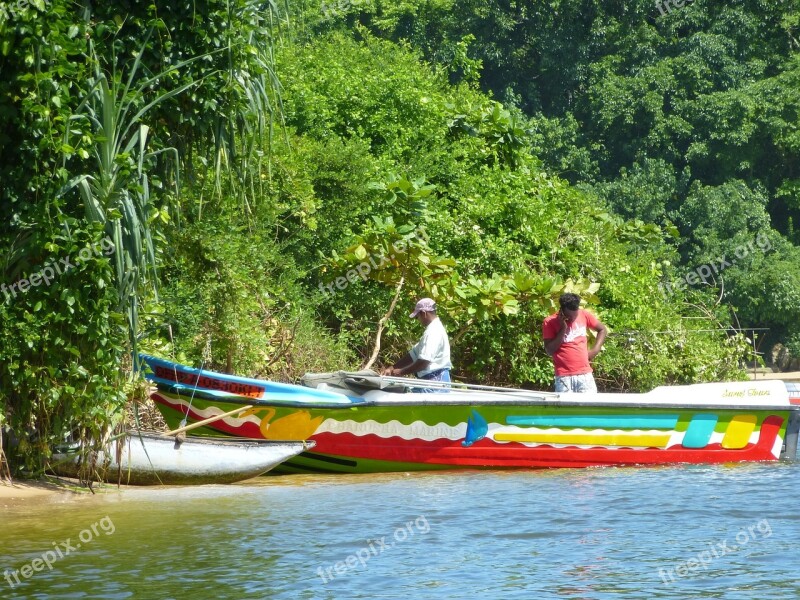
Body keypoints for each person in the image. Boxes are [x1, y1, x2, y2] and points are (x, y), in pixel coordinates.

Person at [382, 298, 452, 393]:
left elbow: (424, 361)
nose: (418, 320)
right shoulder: (433, 329)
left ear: (424, 313)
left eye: (417, 316)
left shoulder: (433, 332)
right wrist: (393, 367)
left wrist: (401, 372)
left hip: (435, 383)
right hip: (430, 381)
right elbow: (414, 354)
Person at [542, 293, 607, 393]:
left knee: (590, 407)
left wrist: (595, 350)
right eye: (569, 316)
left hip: (585, 375)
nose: (572, 319)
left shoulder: (584, 314)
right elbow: (549, 350)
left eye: (575, 315)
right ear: (562, 310)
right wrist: (563, 328)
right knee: (565, 408)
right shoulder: (549, 322)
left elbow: (602, 329)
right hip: (564, 377)